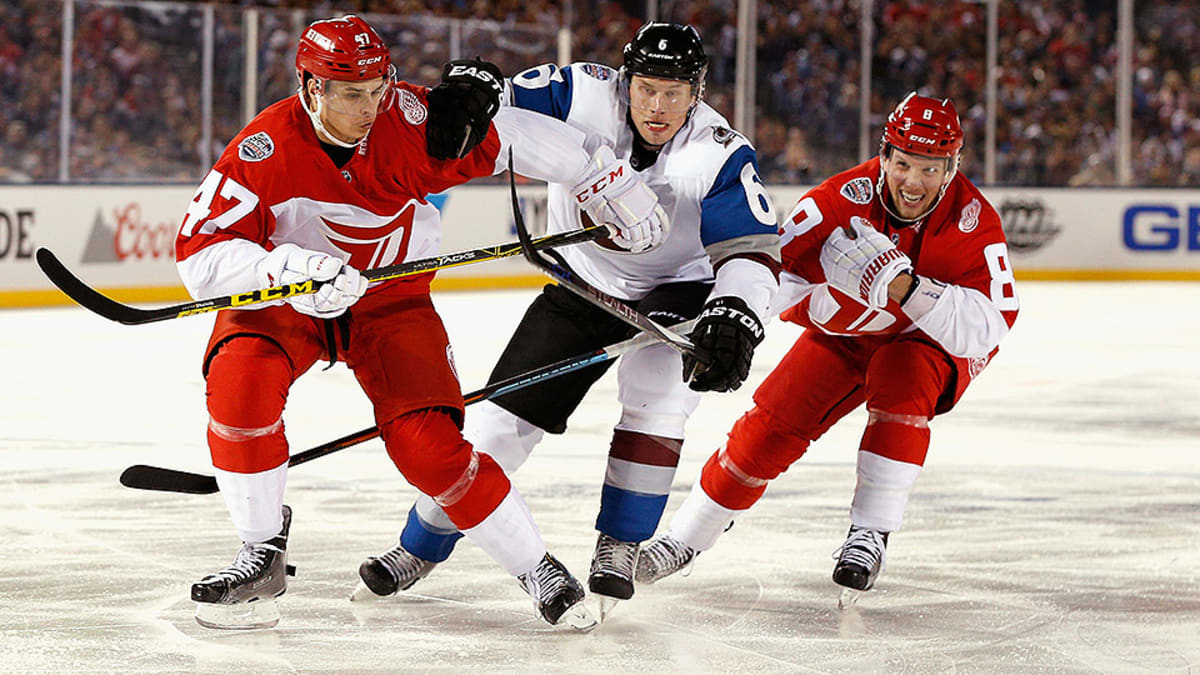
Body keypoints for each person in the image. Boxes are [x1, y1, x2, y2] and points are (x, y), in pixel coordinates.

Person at [175, 14, 669, 630]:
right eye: (352, 94)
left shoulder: (408, 123)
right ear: (310, 88)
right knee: (239, 390)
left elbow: (512, 135)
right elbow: (200, 258)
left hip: (391, 306)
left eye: (378, 89)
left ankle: (538, 567)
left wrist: (605, 176)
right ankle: (259, 551)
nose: (370, 107)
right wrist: (288, 269)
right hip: (285, 305)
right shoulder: (265, 147)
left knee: (431, 452)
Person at [352, 22, 781, 616]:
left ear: (697, 92)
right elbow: (495, 102)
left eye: (674, 93)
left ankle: (619, 546)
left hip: (677, 293)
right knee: (497, 430)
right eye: (647, 88)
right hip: (583, 286)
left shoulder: (720, 151)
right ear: (626, 81)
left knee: (657, 398)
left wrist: (735, 312)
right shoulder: (583, 91)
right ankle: (420, 545)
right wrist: (471, 87)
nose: (657, 107)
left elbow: (751, 253)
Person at [634, 93, 1021, 604]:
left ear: (952, 167)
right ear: (883, 156)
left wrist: (903, 288)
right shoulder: (836, 202)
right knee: (769, 425)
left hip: (920, 343)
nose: (912, 182)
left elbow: (987, 329)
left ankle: (870, 531)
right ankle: (685, 538)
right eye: (903, 164)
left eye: (930, 170)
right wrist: (724, 319)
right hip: (844, 334)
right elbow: (770, 275)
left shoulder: (975, 221)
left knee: (902, 382)